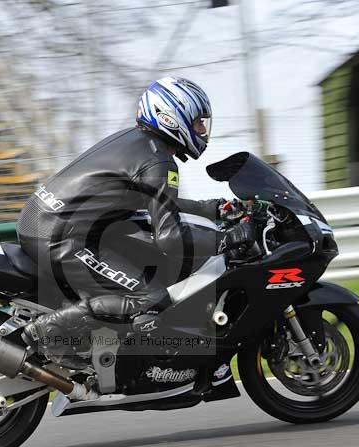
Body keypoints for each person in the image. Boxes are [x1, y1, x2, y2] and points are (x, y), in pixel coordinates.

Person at [15, 77, 254, 364]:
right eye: (197, 122)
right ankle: (48, 331)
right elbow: (171, 238)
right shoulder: (158, 161)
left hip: (48, 222)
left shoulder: (139, 143)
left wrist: (214, 209)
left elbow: (160, 201)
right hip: (59, 235)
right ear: (171, 117)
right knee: (150, 297)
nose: (202, 130)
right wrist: (229, 239)